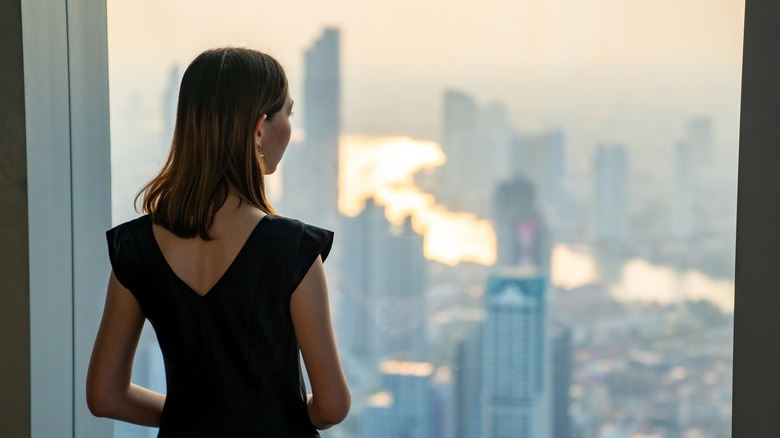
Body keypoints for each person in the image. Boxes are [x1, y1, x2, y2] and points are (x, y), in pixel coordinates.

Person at [86, 47, 350, 437]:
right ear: (259, 128)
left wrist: (195, 417)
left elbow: (105, 395)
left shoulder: (134, 247)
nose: (291, 129)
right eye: (288, 114)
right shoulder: (292, 248)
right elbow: (332, 405)